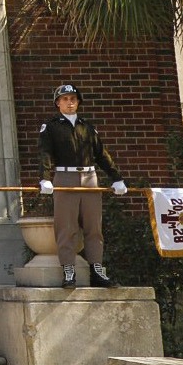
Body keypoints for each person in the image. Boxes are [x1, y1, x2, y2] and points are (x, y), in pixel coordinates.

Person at [38, 84, 126, 288]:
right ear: (58, 103)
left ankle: (97, 269)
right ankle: (68, 270)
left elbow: (101, 154)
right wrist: (45, 177)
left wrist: (116, 177)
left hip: (89, 177)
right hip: (65, 177)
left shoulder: (87, 127)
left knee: (94, 227)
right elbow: (45, 153)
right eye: (65, 99)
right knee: (66, 227)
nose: (70, 102)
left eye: (73, 99)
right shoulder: (51, 127)